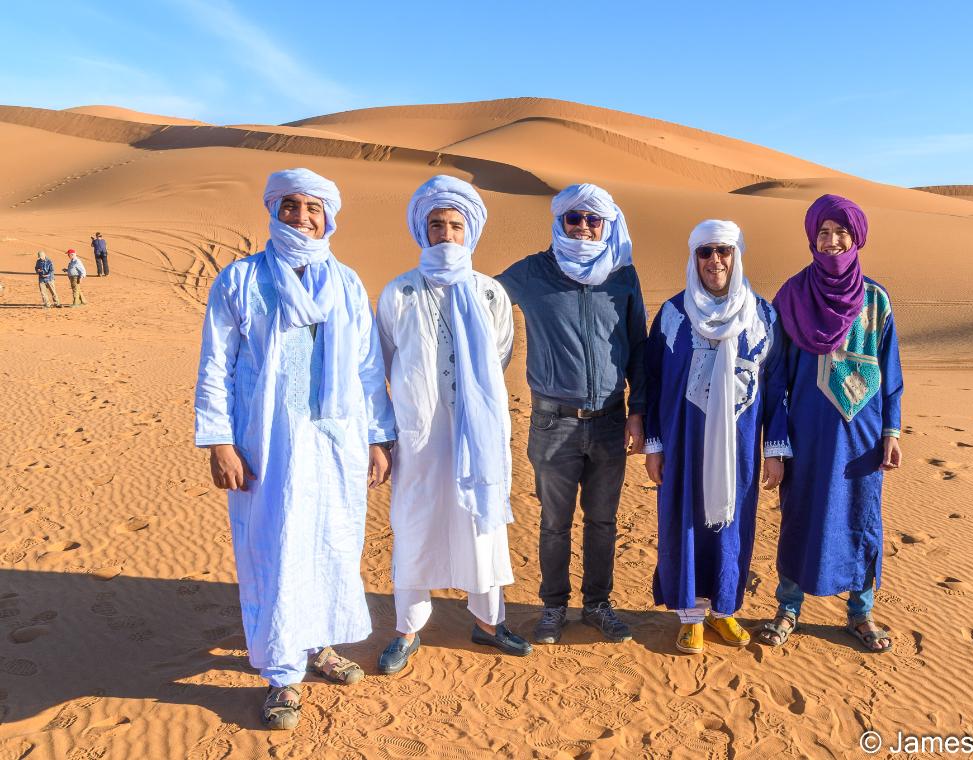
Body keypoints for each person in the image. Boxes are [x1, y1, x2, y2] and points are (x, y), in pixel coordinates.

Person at [194, 168, 396, 729]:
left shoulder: (348, 284)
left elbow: (366, 367)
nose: (302, 217)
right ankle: (283, 672)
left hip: (337, 439)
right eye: (290, 206)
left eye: (313, 208)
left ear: (329, 217)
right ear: (273, 210)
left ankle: (319, 644)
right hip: (267, 442)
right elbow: (215, 363)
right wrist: (219, 440)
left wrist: (379, 435)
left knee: (332, 542)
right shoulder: (239, 280)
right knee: (277, 547)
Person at [375, 175, 531, 675]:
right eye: (436, 225)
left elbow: (500, 355)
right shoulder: (398, 291)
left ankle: (489, 623)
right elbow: (381, 362)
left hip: (477, 433)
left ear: (470, 232)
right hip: (418, 435)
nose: (445, 234)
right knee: (414, 522)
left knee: (480, 520)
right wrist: (383, 436)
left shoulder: (490, 295)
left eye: (455, 225)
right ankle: (407, 629)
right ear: (423, 230)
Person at [496, 183, 647, 645]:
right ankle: (553, 607)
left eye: (592, 220)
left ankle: (598, 604)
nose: (583, 227)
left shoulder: (620, 274)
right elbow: (480, 298)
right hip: (551, 422)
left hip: (609, 420)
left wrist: (638, 412)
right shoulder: (531, 272)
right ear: (559, 222)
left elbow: (640, 348)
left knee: (603, 521)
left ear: (607, 224)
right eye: (573, 219)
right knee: (554, 523)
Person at [758, 194, 903, 653]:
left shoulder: (876, 300)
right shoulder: (792, 296)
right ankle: (788, 608)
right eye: (824, 232)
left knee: (862, 520)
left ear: (856, 237)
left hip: (861, 440)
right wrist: (776, 443)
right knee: (800, 515)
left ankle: (860, 613)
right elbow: (775, 376)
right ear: (812, 238)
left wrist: (891, 432)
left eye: (841, 232)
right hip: (806, 437)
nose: (833, 240)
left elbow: (891, 372)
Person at [644, 220, 791, 655]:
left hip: (740, 445)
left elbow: (777, 385)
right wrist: (654, 443)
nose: (715, 261)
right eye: (705, 253)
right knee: (684, 523)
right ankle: (690, 616)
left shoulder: (762, 315)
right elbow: (651, 382)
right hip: (684, 443)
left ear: (737, 255)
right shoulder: (673, 315)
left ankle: (724, 610)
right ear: (694, 259)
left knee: (732, 526)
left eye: (723, 251)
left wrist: (774, 449)